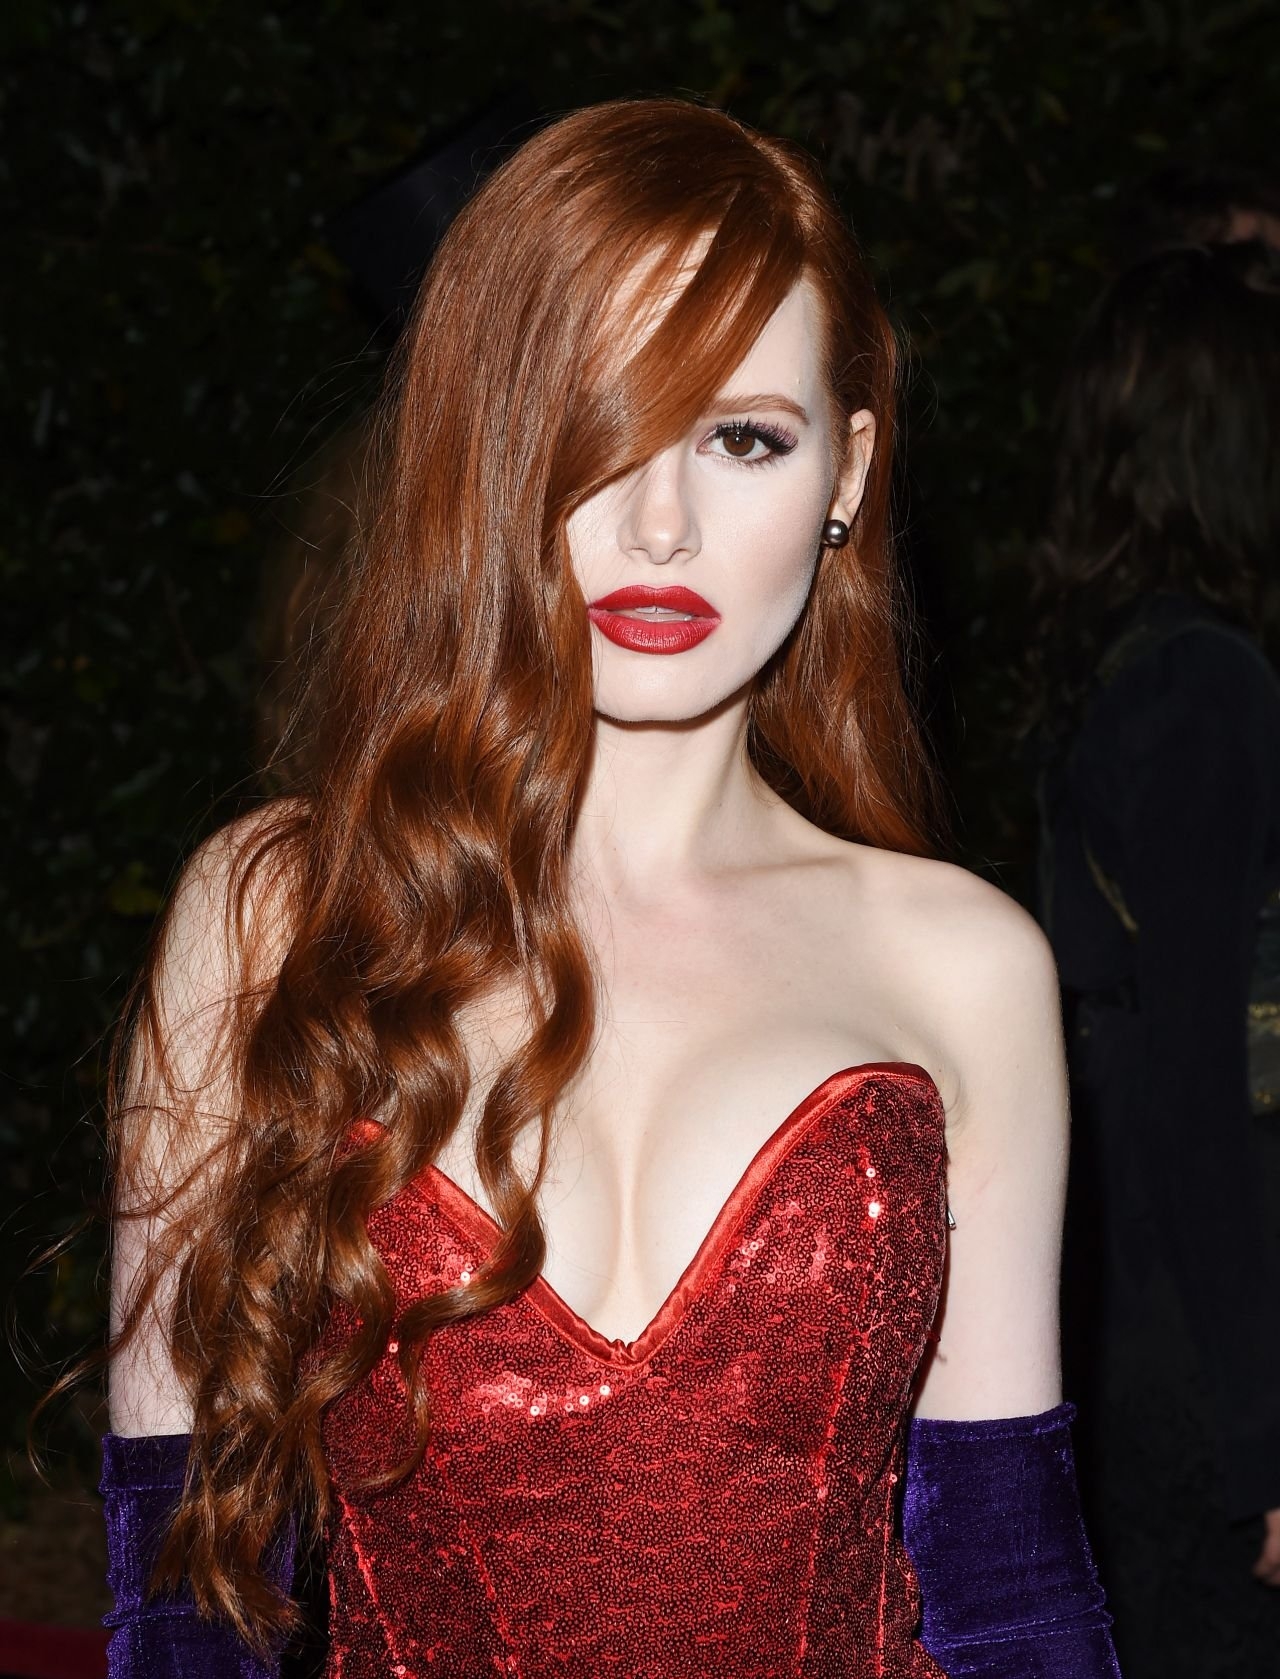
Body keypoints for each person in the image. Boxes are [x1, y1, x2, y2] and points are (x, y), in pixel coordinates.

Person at [98, 98, 1119, 1676]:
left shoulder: (964, 966)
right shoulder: (275, 918)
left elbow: (1015, 1599)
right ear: (490, 453)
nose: (661, 524)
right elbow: (186, 1601)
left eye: (742, 438)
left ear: (846, 475)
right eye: (598, 428)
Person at [1032, 242, 1280, 1677]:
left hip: (1140, 1301)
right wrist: (1263, 1438)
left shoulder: (1123, 661)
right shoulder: (1203, 685)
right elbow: (1199, 1076)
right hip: (1202, 1334)